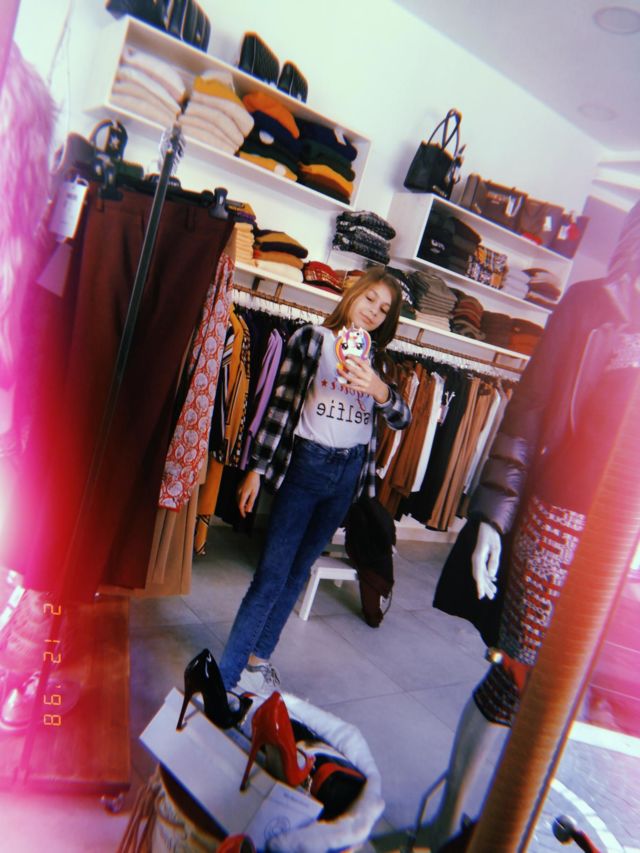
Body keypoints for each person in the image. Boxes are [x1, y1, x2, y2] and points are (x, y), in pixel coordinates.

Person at [424, 200, 640, 850]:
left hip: (627, 548)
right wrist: (494, 517)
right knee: (518, 680)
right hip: (560, 522)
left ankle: (512, 832)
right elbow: (531, 408)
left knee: (587, 703)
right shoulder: (592, 305)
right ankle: (452, 824)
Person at [218, 268, 411, 695]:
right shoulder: (311, 340)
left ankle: (258, 662)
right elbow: (279, 407)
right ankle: (226, 676)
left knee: (298, 572)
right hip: (307, 464)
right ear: (353, 293)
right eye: (370, 299)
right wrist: (256, 469)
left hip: (348, 474)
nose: (374, 312)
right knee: (271, 575)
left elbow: (403, 418)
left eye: (384, 309)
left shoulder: (380, 363)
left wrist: (378, 388)